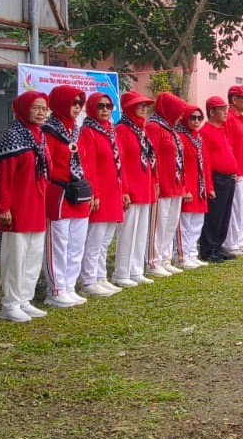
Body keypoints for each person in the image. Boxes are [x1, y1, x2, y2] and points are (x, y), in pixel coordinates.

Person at [0, 91, 51, 322]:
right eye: (36, 108)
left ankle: (25, 299)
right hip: (18, 207)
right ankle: (10, 304)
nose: (40, 112)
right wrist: (3, 207)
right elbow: (3, 177)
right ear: (24, 109)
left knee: (34, 255)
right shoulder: (12, 137)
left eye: (44, 108)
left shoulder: (40, 136)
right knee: (15, 258)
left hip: (37, 205)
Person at [42, 85, 97, 308]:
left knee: (77, 244)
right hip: (60, 193)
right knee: (59, 244)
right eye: (72, 103)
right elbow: (47, 165)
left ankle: (70, 286)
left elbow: (86, 162)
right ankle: (55, 290)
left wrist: (89, 189)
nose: (77, 107)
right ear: (60, 103)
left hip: (80, 192)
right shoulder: (49, 131)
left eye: (79, 103)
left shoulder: (78, 130)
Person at [79, 92, 124, 297]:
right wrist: (94, 193)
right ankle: (89, 281)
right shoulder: (88, 132)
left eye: (108, 106)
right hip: (100, 192)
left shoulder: (110, 131)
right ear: (91, 108)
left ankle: (100, 276)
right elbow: (87, 165)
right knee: (94, 240)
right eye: (100, 106)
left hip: (113, 191)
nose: (105, 110)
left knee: (105, 239)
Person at [113, 91, 157, 288]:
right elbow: (119, 162)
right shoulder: (122, 130)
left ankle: (136, 270)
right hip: (131, 188)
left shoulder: (142, 130)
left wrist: (154, 183)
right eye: (140, 105)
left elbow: (150, 159)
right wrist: (124, 190)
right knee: (128, 232)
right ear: (129, 108)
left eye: (146, 106)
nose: (144, 109)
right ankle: (121, 272)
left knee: (141, 232)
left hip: (144, 186)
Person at [146, 92, 188, 277]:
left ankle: (165, 258)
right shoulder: (154, 127)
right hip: (162, 185)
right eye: (178, 112)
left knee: (171, 223)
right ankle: (153, 261)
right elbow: (151, 156)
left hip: (175, 184)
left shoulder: (171, 130)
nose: (180, 116)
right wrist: (155, 181)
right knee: (159, 224)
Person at [199, 96, 238, 262]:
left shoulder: (221, 130)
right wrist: (209, 185)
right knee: (214, 215)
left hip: (228, 178)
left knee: (225, 214)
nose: (225, 112)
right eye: (221, 109)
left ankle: (218, 245)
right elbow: (205, 160)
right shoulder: (205, 132)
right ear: (212, 112)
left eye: (225, 109)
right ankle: (208, 249)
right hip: (217, 178)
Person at [175, 105, 209, 268]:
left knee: (197, 221)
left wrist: (208, 186)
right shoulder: (180, 137)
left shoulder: (199, 138)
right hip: (188, 185)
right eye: (192, 117)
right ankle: (182, 255)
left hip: (199, 186)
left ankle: (192, 253)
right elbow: (178, 165)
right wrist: (184, 188)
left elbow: (206, 164)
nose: (196, 121)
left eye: (199, 118)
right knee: (185, 222)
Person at [224, 86, 243, 256]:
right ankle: (231, 243)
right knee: (236, 208)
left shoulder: (241, 119)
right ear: (234, 100)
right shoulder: (229, 118)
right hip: (238, 172)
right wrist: (233, 169)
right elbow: (228, 146)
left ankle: (239, 240)